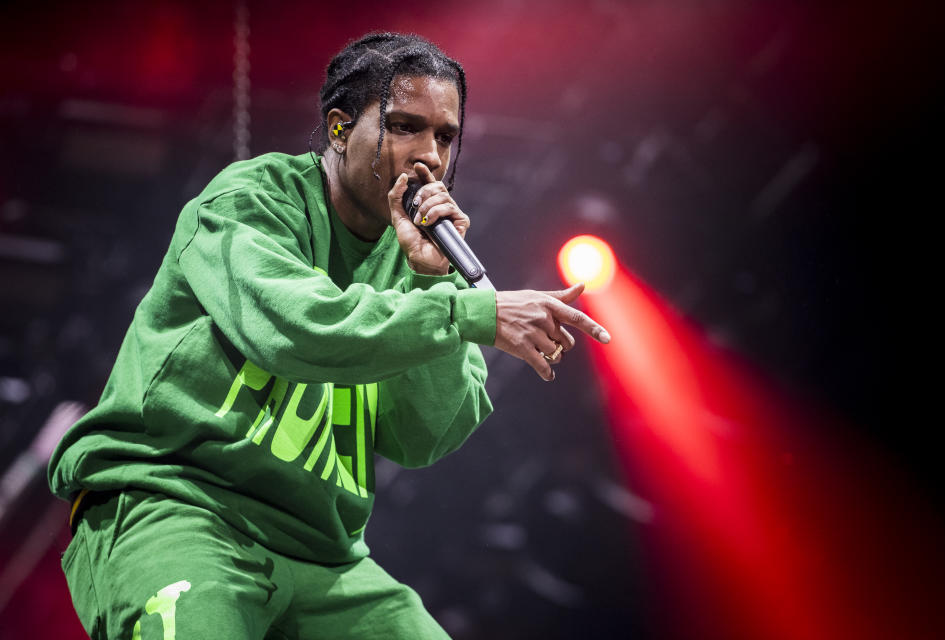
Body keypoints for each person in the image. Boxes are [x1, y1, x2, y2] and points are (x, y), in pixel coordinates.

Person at [48, 32, 610, 639]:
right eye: (403, 127)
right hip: (178, 507)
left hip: (324, 556)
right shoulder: (251, 202)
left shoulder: (423, 261)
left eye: (445, 136)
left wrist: (428, 283)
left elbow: (426, 434)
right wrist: (468, 313)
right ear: (340, 128)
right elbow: (294, 332)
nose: (429, 156)